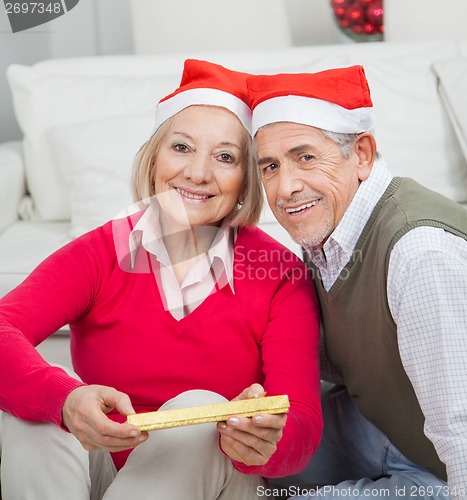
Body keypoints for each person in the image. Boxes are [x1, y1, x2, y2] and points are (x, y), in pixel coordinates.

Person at [0, 59, 323, 499]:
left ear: (246, 180)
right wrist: (61, 398)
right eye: (182, 148)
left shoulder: (281, 274)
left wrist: (266, 438)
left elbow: (301, 419)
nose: (197, 173)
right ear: (154, 158)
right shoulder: (102, 251)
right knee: (32, 408)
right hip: (106, 471)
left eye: (225, 157)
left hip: (219, 480)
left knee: (198, 409)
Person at [245, 65, 467, 499]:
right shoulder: (330, 228)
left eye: (305, 157)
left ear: (362, 154)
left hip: (441, 467)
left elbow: (461, 426)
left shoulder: (419, 254)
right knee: (239, 457)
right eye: (269, 166)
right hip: (386, 428)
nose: (286, 187)